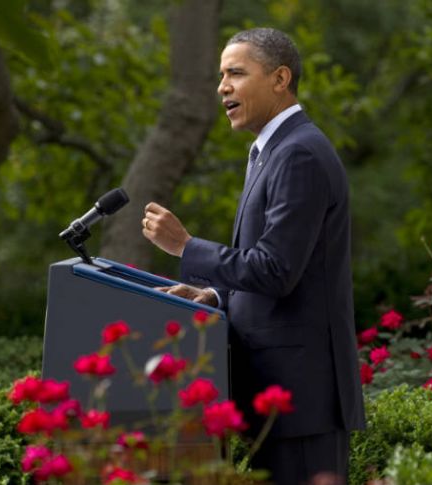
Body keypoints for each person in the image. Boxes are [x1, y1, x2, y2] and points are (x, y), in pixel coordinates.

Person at [141, 27, 366, 485]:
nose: (222, 86)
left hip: (302, 399)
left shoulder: (299, 153)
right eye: (221, 75)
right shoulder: (270, 151)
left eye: (236, 73)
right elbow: (272, 267)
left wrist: (186, 247)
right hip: (277, 396)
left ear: (280, 78)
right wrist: (216, 296)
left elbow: (277, 270)